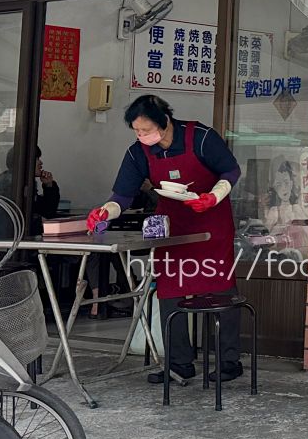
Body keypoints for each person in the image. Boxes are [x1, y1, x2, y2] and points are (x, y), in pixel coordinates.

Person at [88, 95, 244, 386]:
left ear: (165, 122)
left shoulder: (200, 137)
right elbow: (122, 195)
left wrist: (213, 197)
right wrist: (105, 212)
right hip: (172, 229)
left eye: (146, 130)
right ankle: (179, 364)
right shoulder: (138, 153)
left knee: (220, 290)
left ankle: (229, 361)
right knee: (170, 293)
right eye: (137, 130)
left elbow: (231, 170)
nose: (141, 136)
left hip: (211, 224)